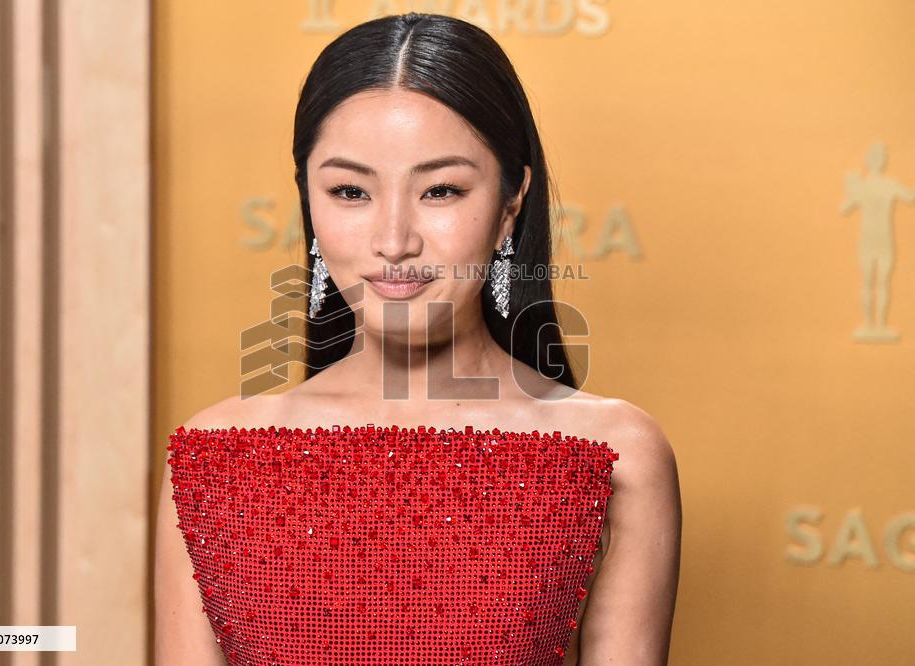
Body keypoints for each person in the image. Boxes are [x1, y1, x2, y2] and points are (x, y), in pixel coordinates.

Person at [155, 12, 680, 665]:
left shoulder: (614, 455)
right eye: (350, 191)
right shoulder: (216, 459)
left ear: (510, 203)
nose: (395, 240)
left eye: (441, 190)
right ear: (308, 203)